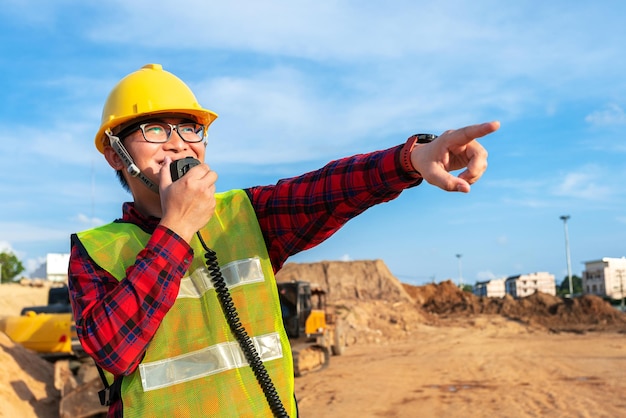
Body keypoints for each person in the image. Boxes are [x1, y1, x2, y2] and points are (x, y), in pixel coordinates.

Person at [68, 63, 499, 418]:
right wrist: (177, 228)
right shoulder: (96, 251)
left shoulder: (245, 216)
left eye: (188, 128)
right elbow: (113, 349)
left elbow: (326, 190)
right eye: (155, 130)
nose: (178, 144)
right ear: (114, 154)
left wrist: (411, 158)